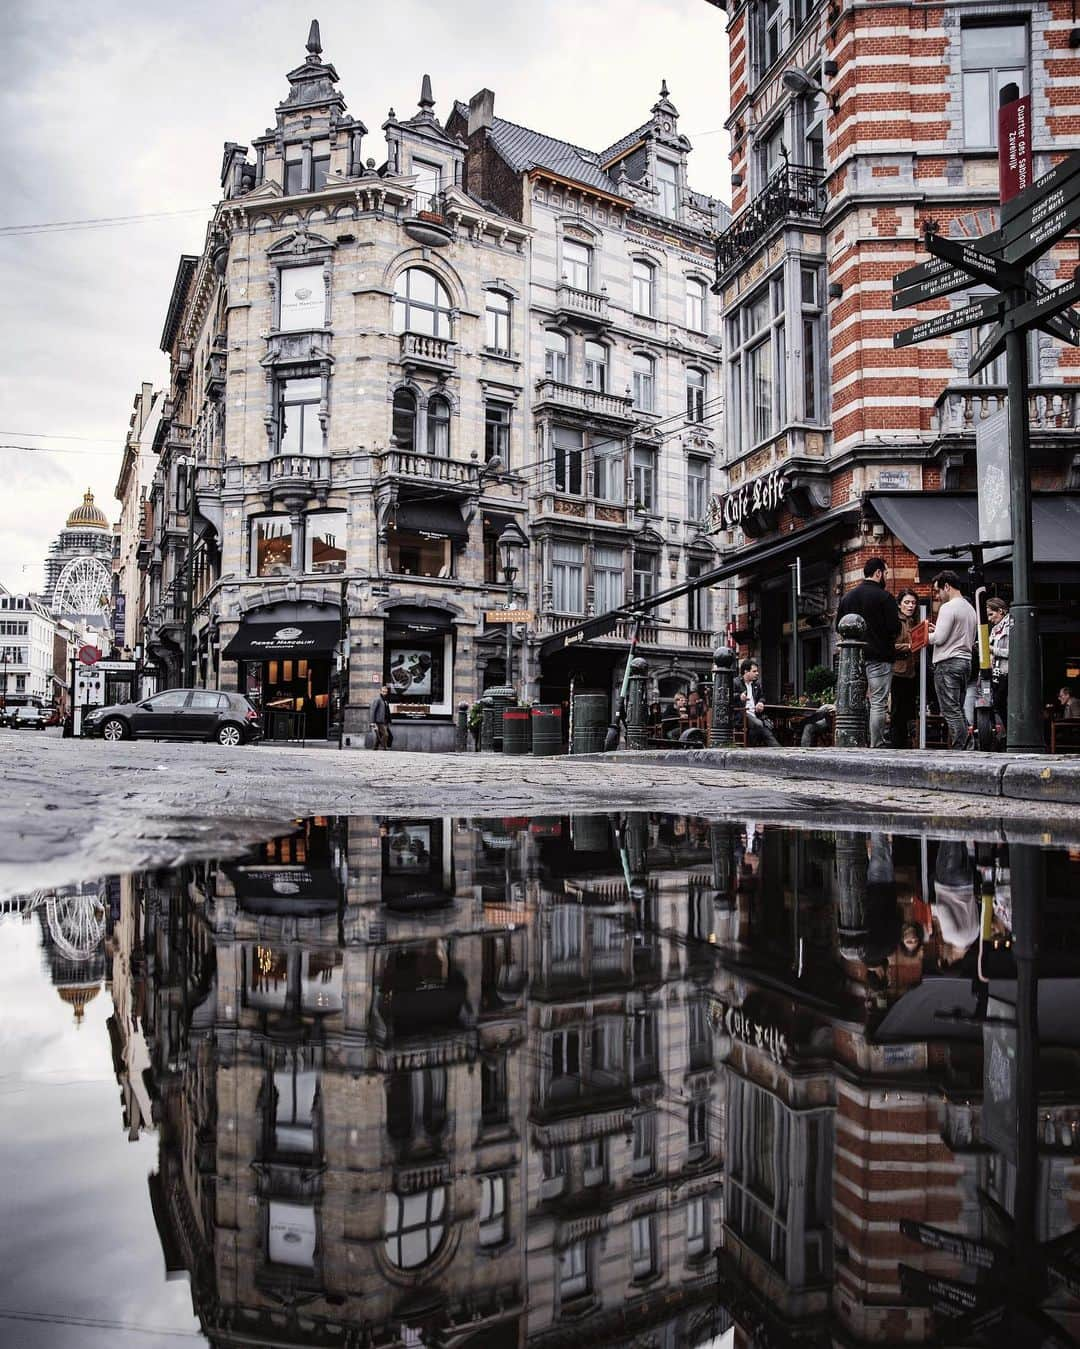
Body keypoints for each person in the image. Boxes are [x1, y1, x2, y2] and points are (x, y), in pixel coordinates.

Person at [837, 557, 901, 749]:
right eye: (886, 573)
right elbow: (894, 628)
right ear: (878, 573)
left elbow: (838, 626)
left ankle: (855, 740)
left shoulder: (847, 597)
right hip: (879, 656)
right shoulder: (885, 597)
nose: (886, 577)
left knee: (853, 701)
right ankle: (876, 743)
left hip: (853, 659)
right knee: (878, 702)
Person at [928, 570, 978, 749]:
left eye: (938, 591)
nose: (938, 595)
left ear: (947, 586)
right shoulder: (970, 608)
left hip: (947, 662)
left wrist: (924, 636)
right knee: (958, 708)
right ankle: (968, 746)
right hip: (965, 662)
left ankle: (961, 748)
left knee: (950, 710)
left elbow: (939, 638)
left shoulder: (948, 608)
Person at [890, 588, 919, 749]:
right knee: (897, 711)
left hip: (912, 672)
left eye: (913, 603)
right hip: (898, 671)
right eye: (907, 602)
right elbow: (890, 646)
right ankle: (897, 744)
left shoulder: (915, 621)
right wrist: (908, 646)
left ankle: (907, 743)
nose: (910, 606)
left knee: (909, 710)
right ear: (899, 604)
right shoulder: (896, 622)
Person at [738, 659, 780, 747]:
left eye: (757, 671)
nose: (757, 673)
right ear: (746, 672)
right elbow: (728, 697)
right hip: (741, 714)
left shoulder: (756, 684)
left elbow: (762, 697)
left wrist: (760, 702)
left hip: (756, 715)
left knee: (769, 728)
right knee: (759, 724)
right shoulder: (736, 682)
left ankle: (778, 750)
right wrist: (739, 696)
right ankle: (752, 747)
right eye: (754, 671)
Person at [986, 597, 1010, 732]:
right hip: (996, 671)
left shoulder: (1010, 626)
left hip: (1007, 672)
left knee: (1000, 702)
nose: (989, 619)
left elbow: (1012, 652)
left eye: (991, 614)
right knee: (997, 702)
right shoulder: (995, 629)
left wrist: (992, 650)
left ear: (1000, 611)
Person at [369, 683, 393, 749]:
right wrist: (372, 722)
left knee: (379, 735)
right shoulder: (378, 699)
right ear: (380, 691)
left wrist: (389, 720)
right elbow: (373, 710)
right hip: (379, 721)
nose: (384, 693)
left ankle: (375, 747)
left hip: (385, 721)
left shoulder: (385, 700)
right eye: (383, 691)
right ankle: (384, 747)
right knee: (386, 734)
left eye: (386, 692)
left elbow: (387, 711)